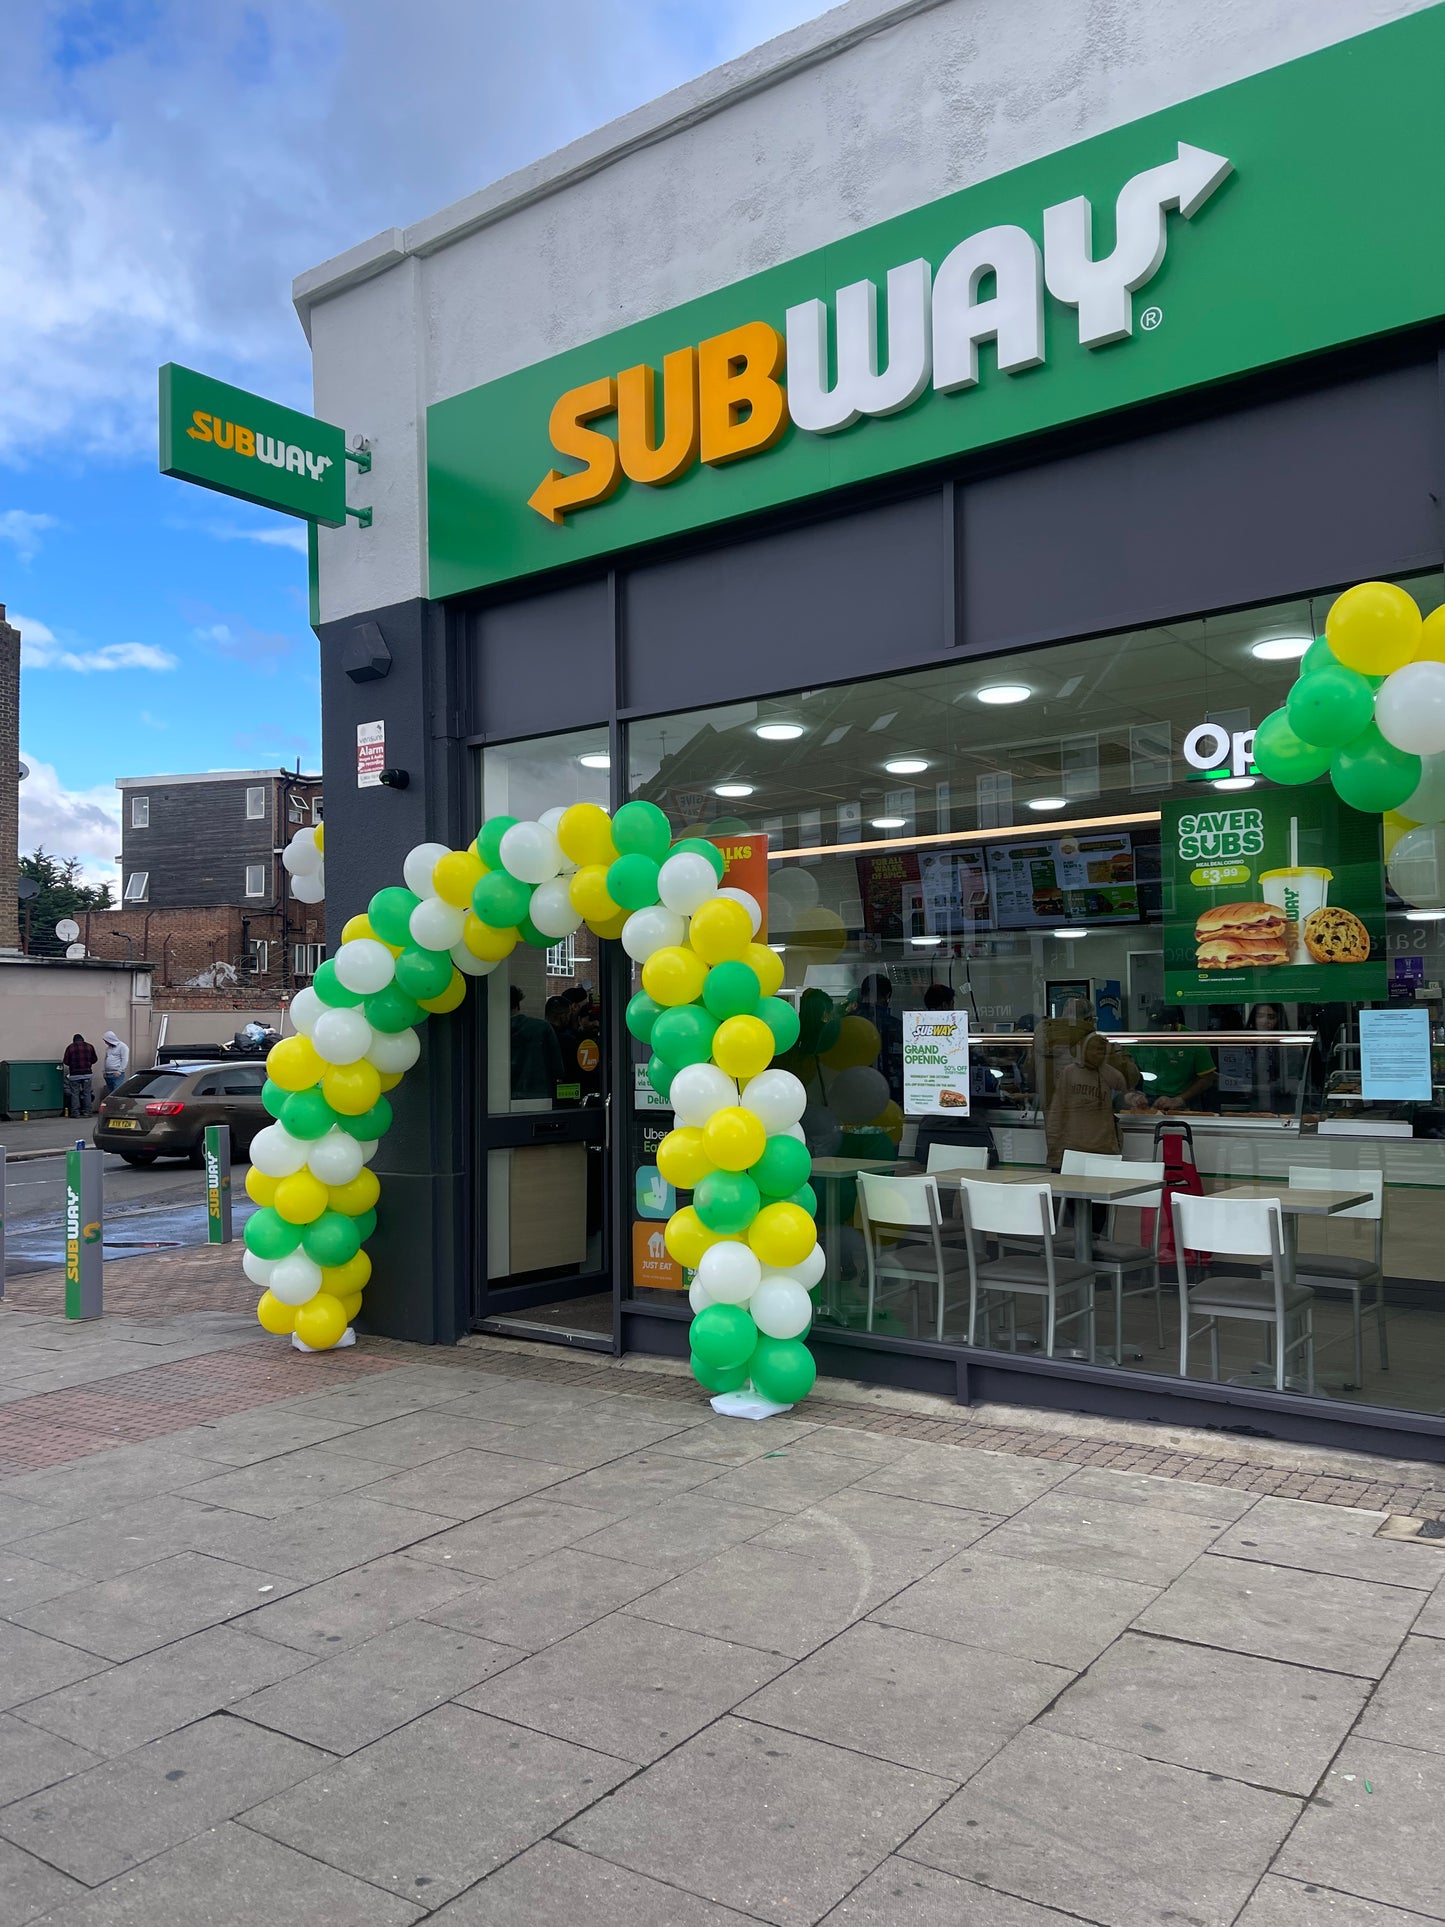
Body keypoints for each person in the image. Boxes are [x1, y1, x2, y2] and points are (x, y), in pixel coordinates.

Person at [1131, 1012, 1215, 1113]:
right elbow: (1126, 1072)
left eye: (1161, 1030)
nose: (1156, 1035)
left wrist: (1179, 1100)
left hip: (1185, 1100)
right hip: (1147, 1098)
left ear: (1173, 1025)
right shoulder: (1140, 1039)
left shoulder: (1193, 1040)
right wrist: (1132, 1095)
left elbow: (1207, 1078)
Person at [851, 973, 903, 1101]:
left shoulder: (847, 1022)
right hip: (888, 1091)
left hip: (852, 1089)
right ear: (887, 996)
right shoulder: (894, 1025)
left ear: (862, 994)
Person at [510, 986, 562, 1100]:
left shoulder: (487, 1032)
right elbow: (557, 1068)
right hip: (539, 1094)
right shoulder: (542, 1027)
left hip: (501, 1097)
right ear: (518, 1004)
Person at [62, 1033, 98, 1117]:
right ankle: (87, 1112)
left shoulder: (70, 1047)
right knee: (87, 1093)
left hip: (75, 1074)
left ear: (74, 1040)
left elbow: (66, 1061)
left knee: (75, 1093)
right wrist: (88, 1063)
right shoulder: (89, 1047)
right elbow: (94, 1059)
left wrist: (72, 1064)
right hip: (87, 1074)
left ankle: (75, 1113)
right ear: (83, 1039)